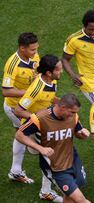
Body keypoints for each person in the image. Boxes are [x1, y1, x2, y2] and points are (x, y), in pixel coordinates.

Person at [16, 94, 91, 203]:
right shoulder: (39, 118)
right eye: (72, 112)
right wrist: (40, 148)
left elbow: (78, 132)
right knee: (80, 200)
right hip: (54, 167)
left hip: (73, 161)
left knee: (69, 196)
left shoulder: (73, 116)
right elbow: (19, 135)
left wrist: (82, 133)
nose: (74, 115)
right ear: (63, 108)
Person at [14, 54, 63, 202]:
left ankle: (15, 171)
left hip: (42, 122)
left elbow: (49, 97)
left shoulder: (52, 81)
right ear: (49, 72)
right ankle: (46, 191)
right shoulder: (36, 88)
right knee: (50, 155)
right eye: (59, 70)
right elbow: (18, 110)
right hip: (37, 125)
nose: (61, 72)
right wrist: (38, 119)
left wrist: (62, 103)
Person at [2, 32, 39, 184]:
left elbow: (39, 70)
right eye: (32, 50)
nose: (36, 52)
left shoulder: (34, 56)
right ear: (22, 48)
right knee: (34, 136)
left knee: (20, 134)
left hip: (28, 105)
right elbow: (6, 90)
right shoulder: (12, 65)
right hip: (15, 108)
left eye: (36, 49)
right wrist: (30, 92)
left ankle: (15, 172)